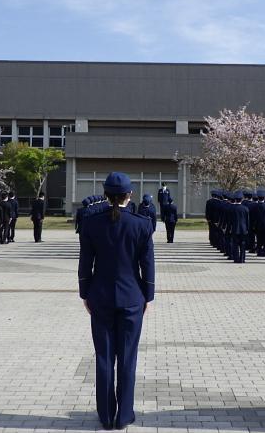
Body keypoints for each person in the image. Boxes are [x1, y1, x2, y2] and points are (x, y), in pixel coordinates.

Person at [78, 172, 155, 430]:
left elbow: (85, 264)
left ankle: (106, 415)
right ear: (128, 195)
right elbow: (148, 266)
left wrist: (84, 293)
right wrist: (149, 296)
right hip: (132, 296)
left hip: (99, 296)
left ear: (105, 195)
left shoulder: (91, 223)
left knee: (104, 357)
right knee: (127, 358)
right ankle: (124, 416)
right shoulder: (141, 224)